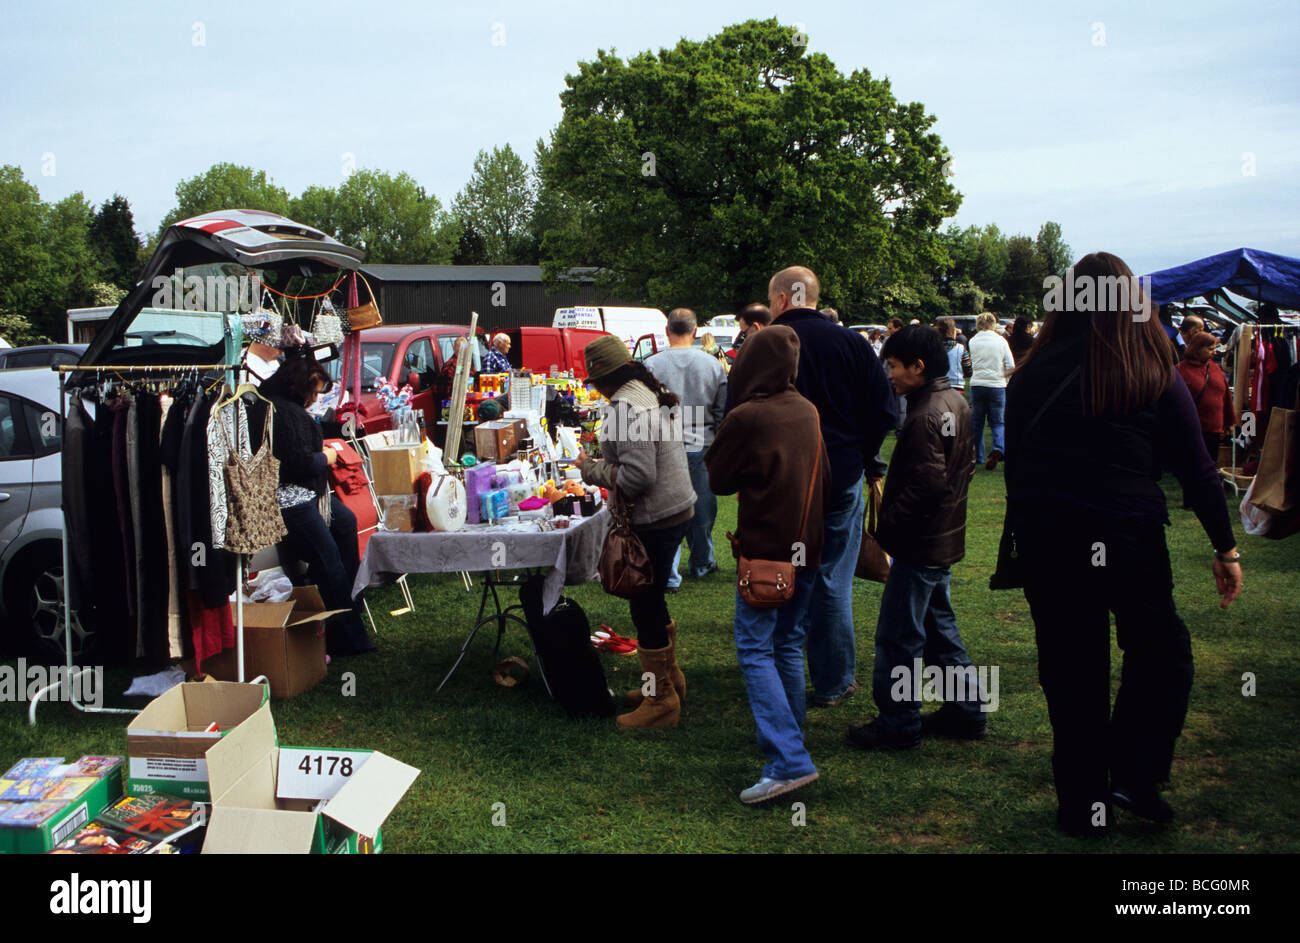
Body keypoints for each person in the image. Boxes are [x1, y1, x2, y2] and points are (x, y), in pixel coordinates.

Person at [1004, 251, 1243, 837]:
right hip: (1125, 534)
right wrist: (1225, 547)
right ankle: (1133, 774)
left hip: (1052, 538)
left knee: (1072, 668)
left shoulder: (1032, 373)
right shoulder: (1147, 368)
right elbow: (1197, 467)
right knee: (1160, 654)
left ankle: (1086, 800)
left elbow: (1018, 467)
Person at [706, 325, 830, 803]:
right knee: (787, 646)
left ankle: (789, 761)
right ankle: (790, 740)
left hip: (769, 553)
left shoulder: (749, 415)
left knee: (756, 649)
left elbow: (717, 479)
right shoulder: (808, 410)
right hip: (808, 548)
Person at [847, 325, 985, 750]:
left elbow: (929, 484)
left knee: (899, 637)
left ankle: (899, 722)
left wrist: (889, 531)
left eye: (892, 365)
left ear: (918, 366)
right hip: (938, 542)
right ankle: (965, 711)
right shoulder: (952, 402)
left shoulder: (926, 414)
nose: (888, 374)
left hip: (920, 545)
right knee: (938, 628)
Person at [768, 266, 897, 708]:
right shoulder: (852, 343)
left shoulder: (766, 345)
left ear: (783, 299)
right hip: (840, 473)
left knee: (787, 573)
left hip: (785, 481)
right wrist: (862, 453)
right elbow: (884, 410)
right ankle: (832, 678)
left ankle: (789, 667)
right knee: (831, 579)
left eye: (772, 302)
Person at [575, 336, 696, 729]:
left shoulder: (626, 406)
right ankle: (665, 684)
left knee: (645, 605)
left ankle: (660, 701)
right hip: (673, 509)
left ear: (602, 379)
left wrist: (591, 469)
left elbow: (639, 476)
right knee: (653, 601)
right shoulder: (642, 392)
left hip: (655, 517)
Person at [259, 356, 374, 657]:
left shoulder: (285, 409)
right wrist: (326, 458)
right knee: (330, 561)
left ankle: (346, 616)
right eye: (314, 392)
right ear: (301, 388)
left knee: (346, 525)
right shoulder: (283, 412)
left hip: (308, 495)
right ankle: (347, 635)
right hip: (292, 499)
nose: (316, 398)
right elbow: (297, 463)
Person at [645, 309, 728, 592]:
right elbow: (721, 409)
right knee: (702, 508)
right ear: (695, 333)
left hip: (664, 446)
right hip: (702, 444)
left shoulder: (651, 365)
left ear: (668, 331)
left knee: (667, 510)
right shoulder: (713, 365)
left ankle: (668, 572)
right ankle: (702, 562)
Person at [1177, 330, 1235, 463]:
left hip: (1214, 430)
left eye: (1214, 349)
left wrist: (1229, 422)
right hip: (1192, 430)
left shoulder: (1214, 368)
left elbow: (1226, 396)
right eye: (1210, 349)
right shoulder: (1180, 371)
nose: (1214, 352)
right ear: (1197, 349)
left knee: (1210, 463)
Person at [968, 312, 1015, 470]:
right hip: (997, 385)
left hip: (977, 384)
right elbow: (1010, 365)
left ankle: (978, 456)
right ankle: (998, 448)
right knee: (997, 422)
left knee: (977, 423)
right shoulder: (1001, 340)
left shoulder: (973, 341)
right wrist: (1006, 382)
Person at [936, 317, 972, 391]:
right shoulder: (961, 348)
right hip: (956, 386)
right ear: (953, 331)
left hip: (937, 386)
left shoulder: (933, 348)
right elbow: (968, 369)